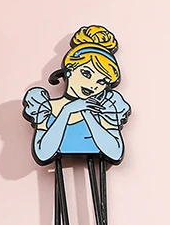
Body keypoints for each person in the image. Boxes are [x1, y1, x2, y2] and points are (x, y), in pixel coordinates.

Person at [23, 25, 130, 163]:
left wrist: (87, 112)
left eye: (101, 81)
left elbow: (115, 153)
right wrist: (67, 110)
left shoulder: (106, 109)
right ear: (70, 69)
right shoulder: (44, 107)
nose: (92, 85)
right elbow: (43, 153)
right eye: (86, 73)